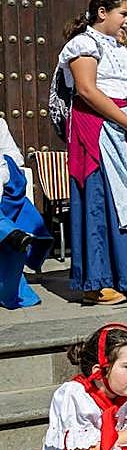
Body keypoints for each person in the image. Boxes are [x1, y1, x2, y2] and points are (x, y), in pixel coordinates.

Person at [60, 0, 127, 305]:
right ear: (102, 13)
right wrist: (125, 120)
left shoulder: (124, 50)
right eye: (124, 14)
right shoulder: (83, 45)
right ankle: (100, 281)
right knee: (103, 200)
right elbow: (87, 90)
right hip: (100, 130)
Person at [0, 118, 52, 309]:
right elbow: (15, 159)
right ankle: (10, 233)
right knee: (11, 249)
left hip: (6, 188)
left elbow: (12, 160)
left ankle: (9, 233)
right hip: (9, 190)